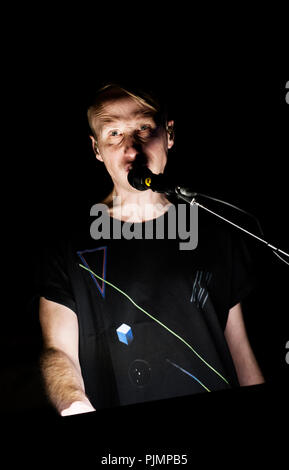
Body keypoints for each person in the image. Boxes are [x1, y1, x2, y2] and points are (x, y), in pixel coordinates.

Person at [37, 82, 265, 417]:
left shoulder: (215, 231)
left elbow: (240, 351)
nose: (132, 149)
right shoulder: (67, 247)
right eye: (114, 133)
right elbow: (58, 351)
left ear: (169, 134)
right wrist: (73, 402)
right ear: (96, 148)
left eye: (143, 128)